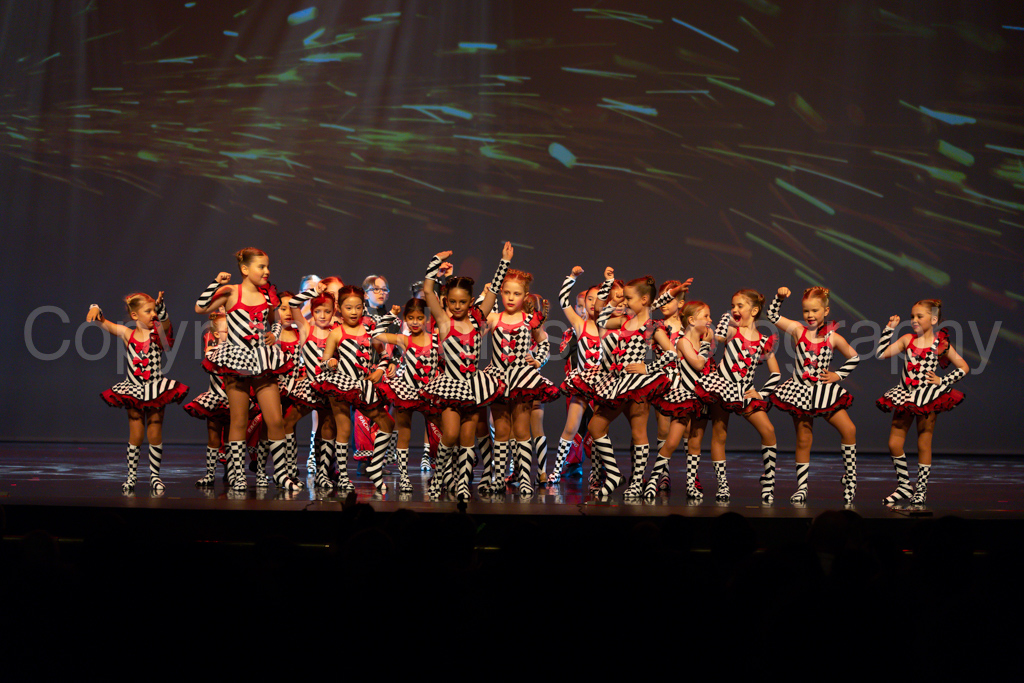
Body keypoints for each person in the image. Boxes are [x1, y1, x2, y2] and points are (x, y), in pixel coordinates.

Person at [570, 272, 683, 498]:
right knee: (595, 427)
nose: (625, 302)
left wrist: (647, 368)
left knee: (639, 432)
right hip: (618, 381)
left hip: (638, 384)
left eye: (629, 298)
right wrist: (611, 297)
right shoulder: (624, 321)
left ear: (644, 300)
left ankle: (636, 482)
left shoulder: (653, 327)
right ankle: (614, 474)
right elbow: (600, 319)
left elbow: (672, 354)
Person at [194, 247, 295, 491]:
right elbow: (200, 307)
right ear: (245, 269)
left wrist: (274, 334)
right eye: (261, 266)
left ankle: (281, 474)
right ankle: (238, 475)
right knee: (238, 420)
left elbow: (273, 322)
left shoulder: (267, 295)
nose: (267, 271)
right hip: (237, 361)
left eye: (267, 266)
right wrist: (215, 283)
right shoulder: (231, 292)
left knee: (275, 420)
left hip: (262, 361)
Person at [419, 244, 511, 500]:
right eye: (453, 302)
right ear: (446, 301)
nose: (457, 306)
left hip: (473, 386)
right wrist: (434, 262)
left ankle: (462, 482)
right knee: (450, 434)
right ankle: (440, 477)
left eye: (462, 302)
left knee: (468, 437)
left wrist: (504, 262)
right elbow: (428, 291)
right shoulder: (443, 321)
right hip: (451, 385)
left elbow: (493, 291)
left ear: (470, 302)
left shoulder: (477, 318)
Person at [766, 287, 861, 503]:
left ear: (826, 311)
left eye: (815, 311)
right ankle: (802, 487)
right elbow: (772, 316)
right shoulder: (797, 330)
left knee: (849, 430)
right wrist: (779, 298)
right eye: (806, 311)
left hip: (824, 392)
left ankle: (850, 478)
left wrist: (838, 375)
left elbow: (854, 357)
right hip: (800, 392)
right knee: (804, 438)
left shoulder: (833, 337)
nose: (810, 315)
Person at [89, 292, 189, 493]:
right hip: (134, 391)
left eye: (154, 311)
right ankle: (131, 476)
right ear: (135, 315)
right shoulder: (128, 334)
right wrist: (95, 307)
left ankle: (155, 477)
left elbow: (166, 325)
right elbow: (105, 323)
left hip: (156, 390)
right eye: (148, 311)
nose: (153, 314)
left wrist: (161, 309)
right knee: (136, 434)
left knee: (155, 432)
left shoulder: (157, 333)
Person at [875, 299, 968, 504]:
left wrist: (943, 381)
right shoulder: (907, 339)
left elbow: (964, 367)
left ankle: (921, 490)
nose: (914, 320)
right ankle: (904, 486)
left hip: (928, 398)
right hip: (905, 397)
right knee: (894, 443)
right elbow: (881, 354)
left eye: (920, 316)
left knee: (924, 443)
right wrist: (889, 329)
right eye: (912, 316)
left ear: (933, 319)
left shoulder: (940, 344)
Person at [695, 289, 781, 502]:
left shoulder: (763, 340)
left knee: (769, 430)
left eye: (739, 306)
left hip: (745, 391)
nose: (734, 309)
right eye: (732, 305)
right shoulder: (733, 330)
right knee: (720, 435)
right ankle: (723, 485)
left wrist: (761, 392)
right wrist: (727, 318)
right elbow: (719, 337)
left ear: (754, 310)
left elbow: (776, 373)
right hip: (723, 388)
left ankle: (768, 480)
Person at [481, 270, 559, 496]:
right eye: (506, 292)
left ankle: (525, 478)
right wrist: (485, 295)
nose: (510, 297)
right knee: (501, 430)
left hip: (521, 380)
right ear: (501, 293)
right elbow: (474, 327)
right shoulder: (494, 318)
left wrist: (539, 360)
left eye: (516, 293)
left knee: (522, 430)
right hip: (498, 379)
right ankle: (499, 477)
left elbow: (544, 342)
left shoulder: (529, 320)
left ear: (525, 296)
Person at [316, 285, 396, 493]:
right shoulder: (336, 333)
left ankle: (375, 467)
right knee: (343, 429)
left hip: (363, 385)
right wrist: (330, 362)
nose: (354, 312)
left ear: (363, 307)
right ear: (339, 309)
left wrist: (380, 369)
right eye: (349, 307)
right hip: (340, 384)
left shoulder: (370, 331)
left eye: (358, 307)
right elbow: (323, 361)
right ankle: (343, 476)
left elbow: (385, 355)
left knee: (387, 423)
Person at [372, 298, 443, 493]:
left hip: (430, 392)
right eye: (410, 318)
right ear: (405, 319)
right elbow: (376, 334)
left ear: (426, 318)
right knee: (404, 431)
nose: (415, 322)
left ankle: (441, 473)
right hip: (407, 392)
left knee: (442, 431)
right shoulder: (404, 339)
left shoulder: (436, 339)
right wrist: (391, 315)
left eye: (419, 318)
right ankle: (404, 477)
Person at [650, 300, 713, 499]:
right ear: (692, 320)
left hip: (701, 399)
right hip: (684, 399)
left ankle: (691, 483)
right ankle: (653, 480)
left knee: (695, 443)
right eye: (706, 316)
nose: (710, 320)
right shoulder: (683, 342)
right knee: (672, 441)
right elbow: (698, 364)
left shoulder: (702, 341)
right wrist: (705, 345)